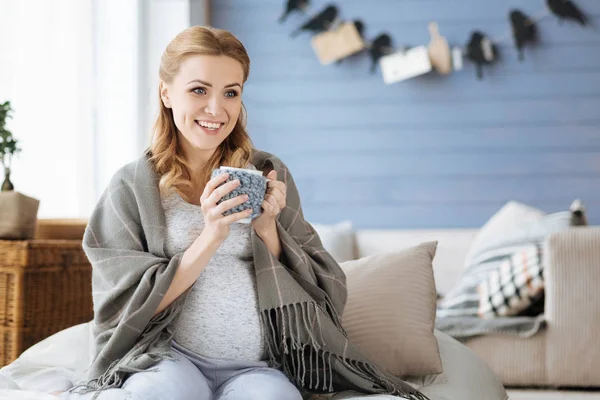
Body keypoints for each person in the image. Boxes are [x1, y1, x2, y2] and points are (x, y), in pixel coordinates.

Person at [57, 26, 429, 400]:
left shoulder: (268, 172)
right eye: (199, 90)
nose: (216, 109)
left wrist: (269, 231)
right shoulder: (133, 187)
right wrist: (211, 235)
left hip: (259, 366)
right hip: (168, 357)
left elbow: (323, 282)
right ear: (166, 93)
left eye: (230, 93)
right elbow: (124, 304)